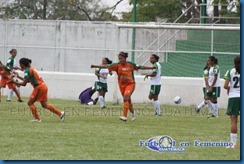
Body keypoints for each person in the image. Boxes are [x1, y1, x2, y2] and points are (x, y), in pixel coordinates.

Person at [91, 52, 155, 121]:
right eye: (119, 58)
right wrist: (95, 66)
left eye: (121, 58)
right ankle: (133, 114)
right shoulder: (117, 65)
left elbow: (141, 67)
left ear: (125, 58)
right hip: (122, 85)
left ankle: (124, 116)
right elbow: (106, 66)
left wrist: (151, 67)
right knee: (128, 100)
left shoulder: (130, 64)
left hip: (131, 84)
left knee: (126, 97)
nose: (120, 60)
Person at [10, 58, 65, 122]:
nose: (20, 66)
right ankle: (60, 114)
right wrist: (18, 77)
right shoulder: (31, 68)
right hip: (43, 86)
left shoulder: (27, 71)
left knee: (30, 103)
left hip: (39, 88)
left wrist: (13, 82)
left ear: (22, 64)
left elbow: (24, 84)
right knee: (44, 104)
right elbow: (27, 81)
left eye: (20, 64)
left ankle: (37, 119)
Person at [224, 55, 240, 149]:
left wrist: (230, 88)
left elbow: (225, 86)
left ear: (234, 63)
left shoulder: (230, 71)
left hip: (233, 97)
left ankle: (233, 144)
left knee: (234, 121)